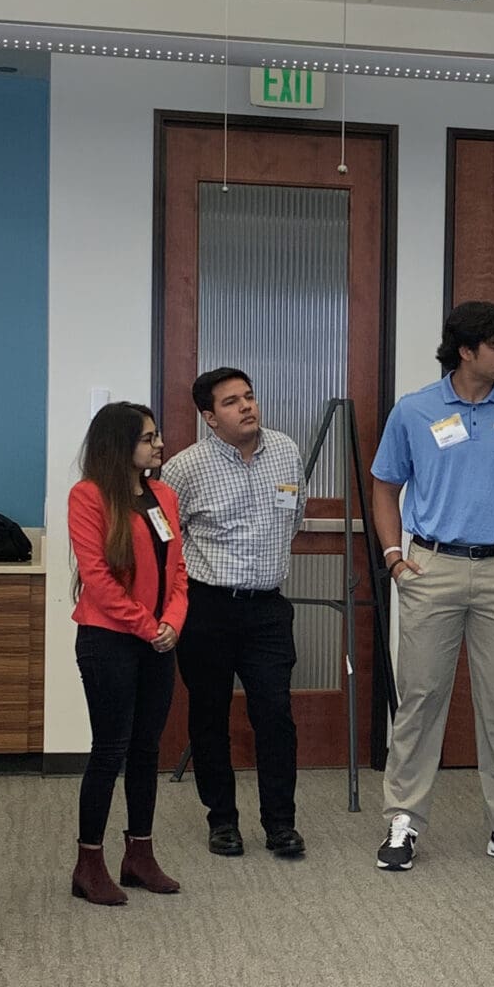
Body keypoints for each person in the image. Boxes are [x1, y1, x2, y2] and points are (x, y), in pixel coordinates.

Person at [370, 300, 494, 873]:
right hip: (432, 570)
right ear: (466, 350)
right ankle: (403, 820)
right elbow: (385, 486)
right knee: (421, 700)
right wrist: (394, 559)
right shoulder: (415, 410)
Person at [162, 368, 307, 860]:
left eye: (249, 397)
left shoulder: (286, 451)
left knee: (276, 715)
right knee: (209, 717)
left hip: (266, 608)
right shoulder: (184, 468)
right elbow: (167, 544)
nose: (246, 406)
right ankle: (222, 820)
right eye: (231, 402)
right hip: (207, 609)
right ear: (209, 417)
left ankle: (280, 824)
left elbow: (296, 517)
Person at [68, 402, 189, 906]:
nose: (159, 444)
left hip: (159, 640)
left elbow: (179, 570)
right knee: (110, 749)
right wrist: (147, 626)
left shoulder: (164, 495)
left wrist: (172, 623)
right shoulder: (89, 496)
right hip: (109, 639)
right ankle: (88, 863)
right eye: (148, 437)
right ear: (120, 445)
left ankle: (139, 854)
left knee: (147, 749)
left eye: (157, 435)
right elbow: (96, 578)